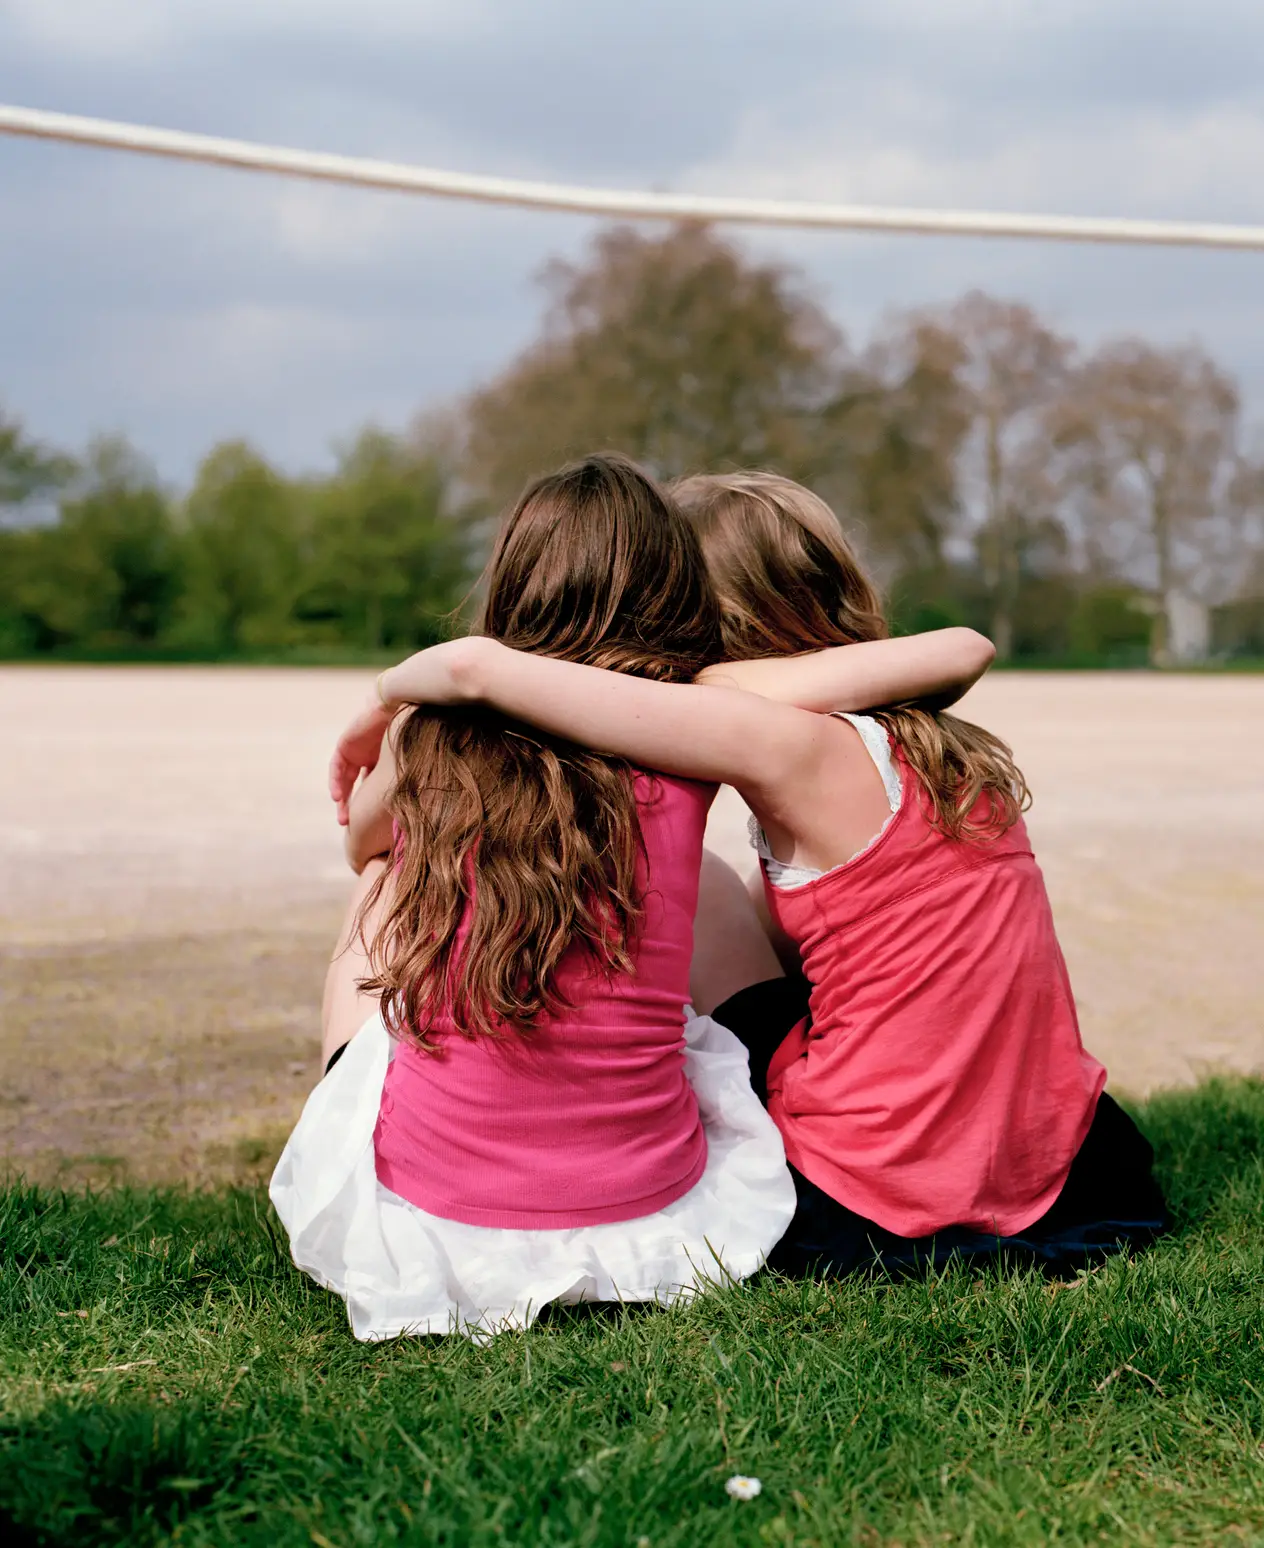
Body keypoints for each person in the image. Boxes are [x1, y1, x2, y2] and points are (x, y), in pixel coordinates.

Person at [336, 467, 1169, 1279]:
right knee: (730, 894)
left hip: (871, 1195)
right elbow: (964, 649)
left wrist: (386, 704)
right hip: (1066, 1163)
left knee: (667, 883)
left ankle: (465, 1106)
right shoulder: (935, 746)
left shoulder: (771, 736)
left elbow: (490, 677)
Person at [275, 454, 994, 1339]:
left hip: (440, 1225)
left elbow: (360, 842)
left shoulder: (429, 737)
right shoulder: (681, 734)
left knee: (385, 875)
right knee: (700, 885)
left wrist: (391, 714)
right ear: (673, 589)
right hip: (647, 1213)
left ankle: (399, 1119)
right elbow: (946, 653)